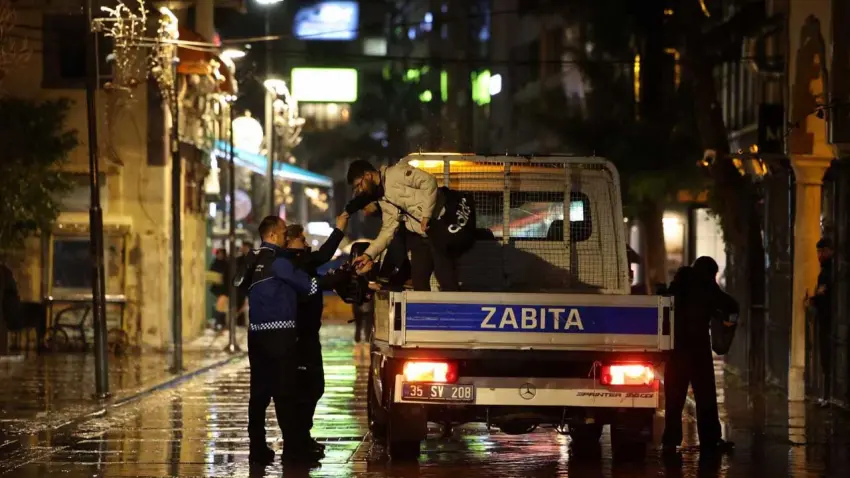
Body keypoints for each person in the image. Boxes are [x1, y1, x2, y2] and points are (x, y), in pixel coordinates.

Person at [236, 216, 346, 466]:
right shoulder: (279, 261)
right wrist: (330, 280)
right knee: (285, 394)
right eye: (284, 232)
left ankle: (258, 449)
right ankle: (293, 452)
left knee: (259, 395)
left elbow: (241, 286)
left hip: (256, 334)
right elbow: (308, 287)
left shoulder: (252, 259)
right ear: (273, 235)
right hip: (281, 335)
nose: (288, 236)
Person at [280, 212, 349, 450]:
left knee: (311, 387)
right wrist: (339, 230)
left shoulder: (299, 263)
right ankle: (297, 442)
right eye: (301, 239)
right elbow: (324, 255)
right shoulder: (294, 261)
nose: (306, 243)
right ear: (289, 242)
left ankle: (300, 439)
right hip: (299, 338)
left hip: (307, 335)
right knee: (307, 388)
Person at [346, 159, 459, 291]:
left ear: (367, 175)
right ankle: (425, 312)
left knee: (445, 277)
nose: (360, 190)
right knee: (419, 281)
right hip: (420, 236)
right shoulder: (383, 199)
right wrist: (368, 255)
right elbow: (388, 231)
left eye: (359, 185)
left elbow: (429, 181)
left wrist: (426, 215)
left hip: (438, 228)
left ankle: (457, 311)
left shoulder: (395, 174)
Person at [662, 256, 737, 453]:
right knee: (705, 397)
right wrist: (726, 321)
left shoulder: (679, 284)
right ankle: (710, 440)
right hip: (698, 350)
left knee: (674, 397)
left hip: (676, 349)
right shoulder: (707, 287)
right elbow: (729, 304)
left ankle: (670, 440)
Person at [807, 237, 834, 407]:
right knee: (825, 359)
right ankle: (826, 395)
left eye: (823, 251)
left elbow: (825, 297)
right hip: (824, 321)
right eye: (818, 251)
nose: (820, 255)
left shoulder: (830, 272)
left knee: (829, 358)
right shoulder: (824, 272)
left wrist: (815, 300)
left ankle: (828, 396)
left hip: (829, 321)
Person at [208, 249, 229, 330]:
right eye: (218, 254)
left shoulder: (226, 264)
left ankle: (219, 323)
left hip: (225, 288)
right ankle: (221, 323)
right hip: (216, 289)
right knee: (220, 306)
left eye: (221, 254)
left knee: (220, 305)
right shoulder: (215, 263)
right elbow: (211, 273)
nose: (219, 255)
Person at [235, 241, 254, 327]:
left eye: (245, 247)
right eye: (243, 247)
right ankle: (240, 323)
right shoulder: (238, 260)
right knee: (240, 304)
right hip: (241, 286)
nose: (243, 249)